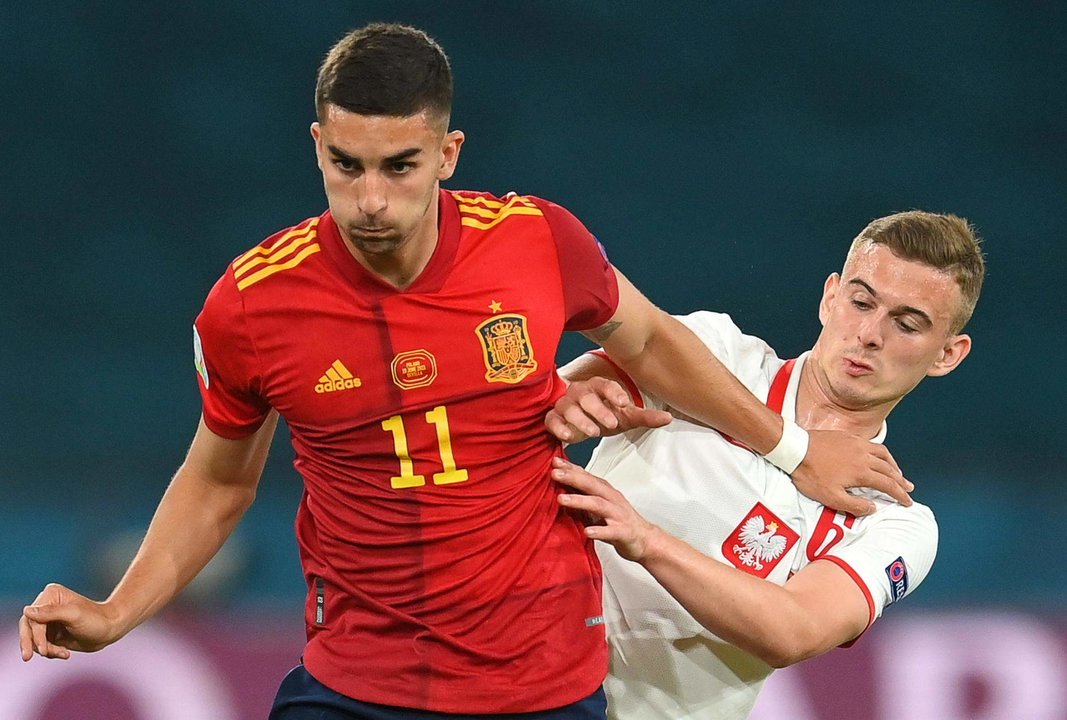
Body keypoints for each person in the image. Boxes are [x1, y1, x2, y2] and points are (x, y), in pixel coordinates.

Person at [18, 23, 911, 719]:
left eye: (400, 167)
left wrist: (792, 451)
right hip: (356, 678)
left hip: (541, 681)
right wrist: (118, 609)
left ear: (446, 155)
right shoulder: (248, 306)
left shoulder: (537, 243)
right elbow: (217, 481)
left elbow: (648, 339)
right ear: (317, 145)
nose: (371, 199)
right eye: (347, 165)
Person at [545, 210, 984, 719]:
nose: (869, 334)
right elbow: (565, 391)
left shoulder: (894, 518)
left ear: (947, 355)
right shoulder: (716, 353)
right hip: (521, 681)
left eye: (906, 324)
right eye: (861, 302)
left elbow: (793, 631)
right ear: (830, 297)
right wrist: (572, 400)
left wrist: (647, 540)